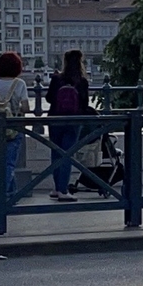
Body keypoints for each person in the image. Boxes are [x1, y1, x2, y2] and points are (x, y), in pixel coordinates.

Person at [46, 49, 94, 199]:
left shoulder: (56, 79)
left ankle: (56, 188)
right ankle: (63, 190)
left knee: (56, 153)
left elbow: (48, 98)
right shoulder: (82, 81)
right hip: (73, 121)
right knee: (67, 154)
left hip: (55, 120)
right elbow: (85, 103)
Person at [0, 50, 30, 204]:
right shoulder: (20, 84)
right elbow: (25, 108)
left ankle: (12, 194)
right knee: (10, 162)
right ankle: (4, 195)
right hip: (15, 127)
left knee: (0, 161)